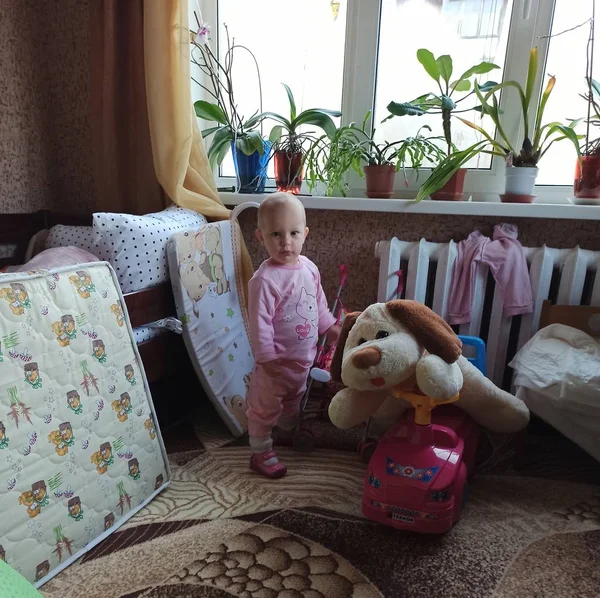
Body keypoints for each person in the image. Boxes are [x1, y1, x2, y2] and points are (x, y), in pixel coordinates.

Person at [246, 192, 340, 478]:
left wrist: (332, 328)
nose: (286, 242)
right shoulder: (264, 280)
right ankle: (260, 450)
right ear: (261, 237)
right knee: (264, 407)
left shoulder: (309, 269)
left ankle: (287, 431)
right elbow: (258, 324)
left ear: (305, 234)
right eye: (276, 234)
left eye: (293, 233)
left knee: (294, 399)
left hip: (302, 359)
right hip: (274, 365)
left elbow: (318, 307)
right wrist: (267, 358)